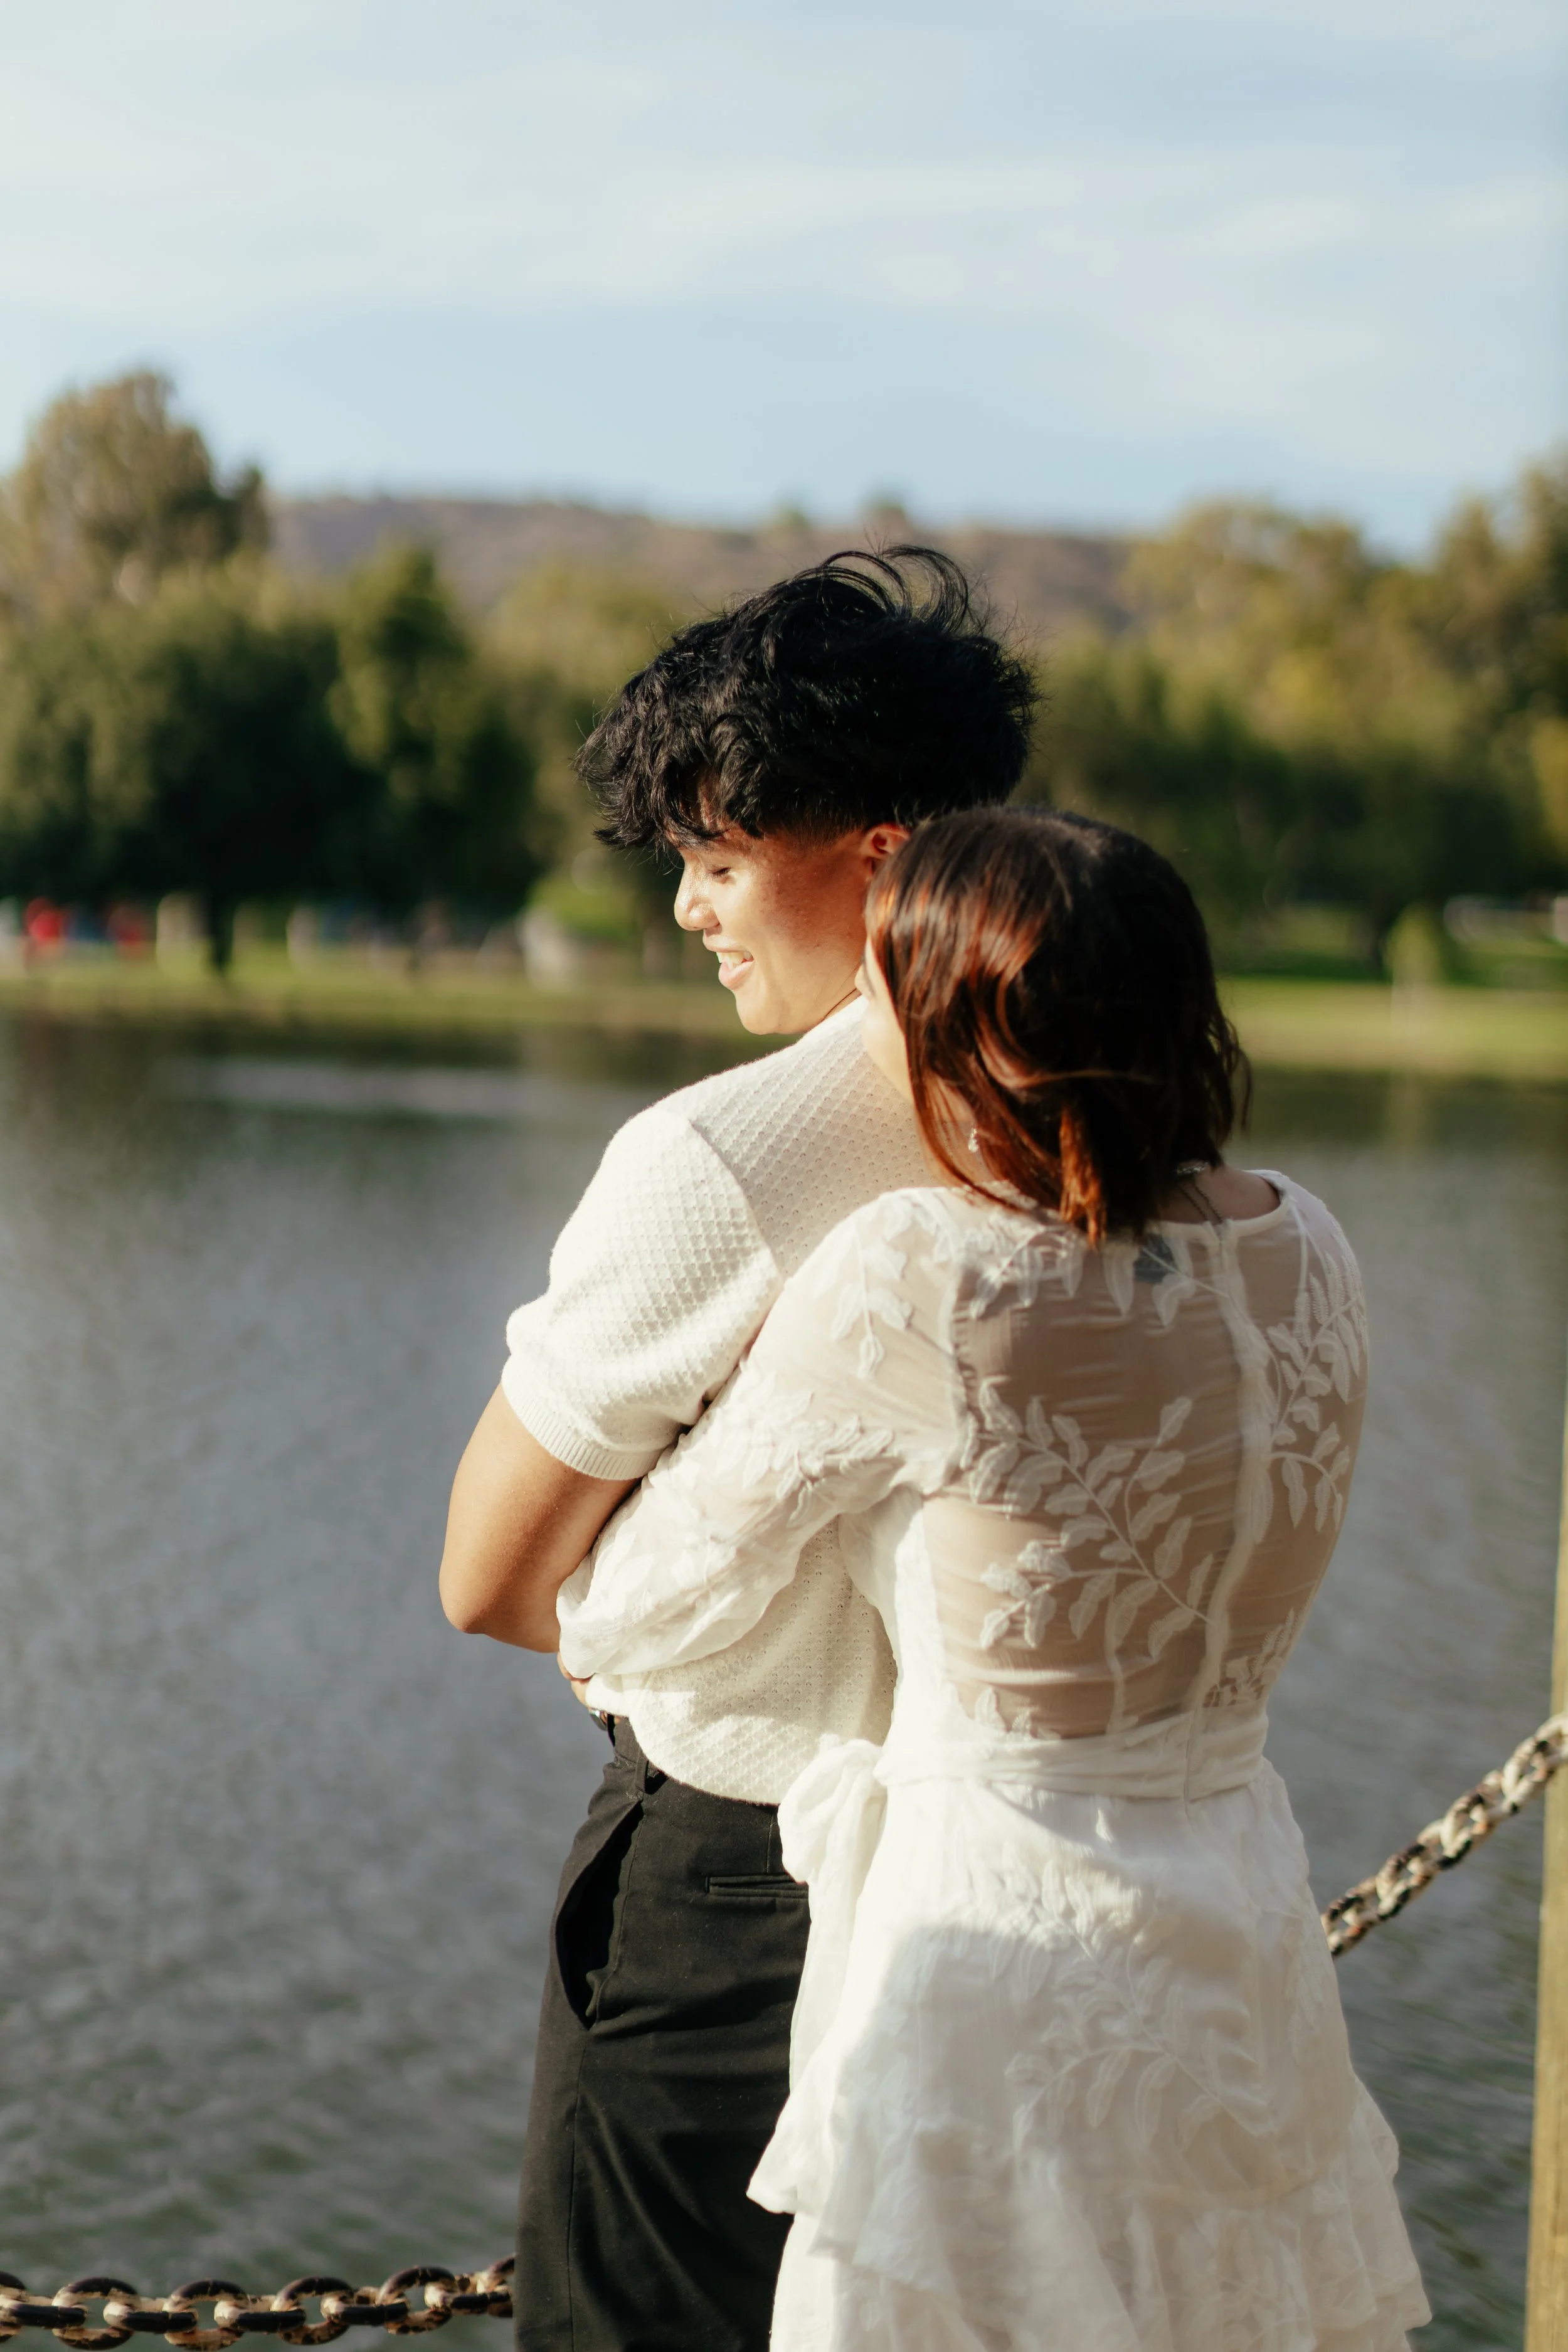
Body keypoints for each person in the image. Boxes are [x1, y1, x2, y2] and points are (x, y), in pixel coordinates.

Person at [555, 808, 1431, 2352]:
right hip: (1242, 1939)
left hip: (991, 1968)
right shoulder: (1309, 1244)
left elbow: (635, 1606)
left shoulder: (924, 1270)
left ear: (956, 1032)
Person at [438, 549, 1038, 2352]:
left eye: (715, 856)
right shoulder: (1097, 1126)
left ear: (878, 853)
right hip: (999, 1873)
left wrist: (674, 1641)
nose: (689, 905)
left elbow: (484, 1575)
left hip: (734, 1889)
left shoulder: (721, 1159)